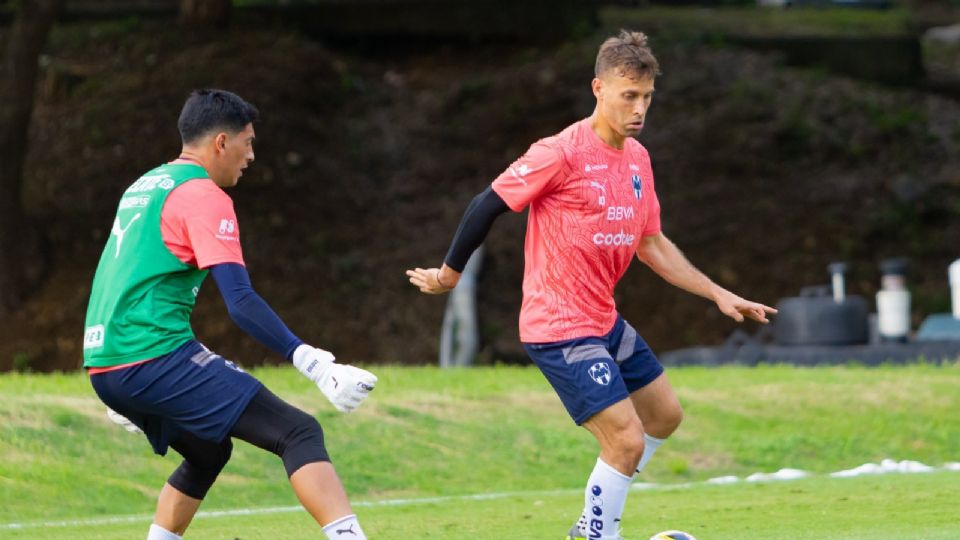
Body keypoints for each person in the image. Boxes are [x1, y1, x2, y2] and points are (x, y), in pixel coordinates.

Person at [406, 30, 776, 540]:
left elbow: (652, 244)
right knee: (624, 441)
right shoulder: (559, 152)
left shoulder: (638, 159)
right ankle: (600, 534)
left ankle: (591, 522)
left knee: (664, 417)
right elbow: (485, 203)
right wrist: (449, 274)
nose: (640, 107)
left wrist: (717, 292)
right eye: (629, 95)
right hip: (558, 324)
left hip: (602, 318)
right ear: (598, 88)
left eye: (647, 96)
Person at [82, 89, 377, 540]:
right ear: (221, 142)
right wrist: (315, 363)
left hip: (105, 363)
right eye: (248, 142)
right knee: (298, 432)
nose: (251, 156)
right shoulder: (203, 196)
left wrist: (122, 373)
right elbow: (240, 302)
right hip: (149, 356)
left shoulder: (146, 185)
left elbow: (122, 276)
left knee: (207, 451)